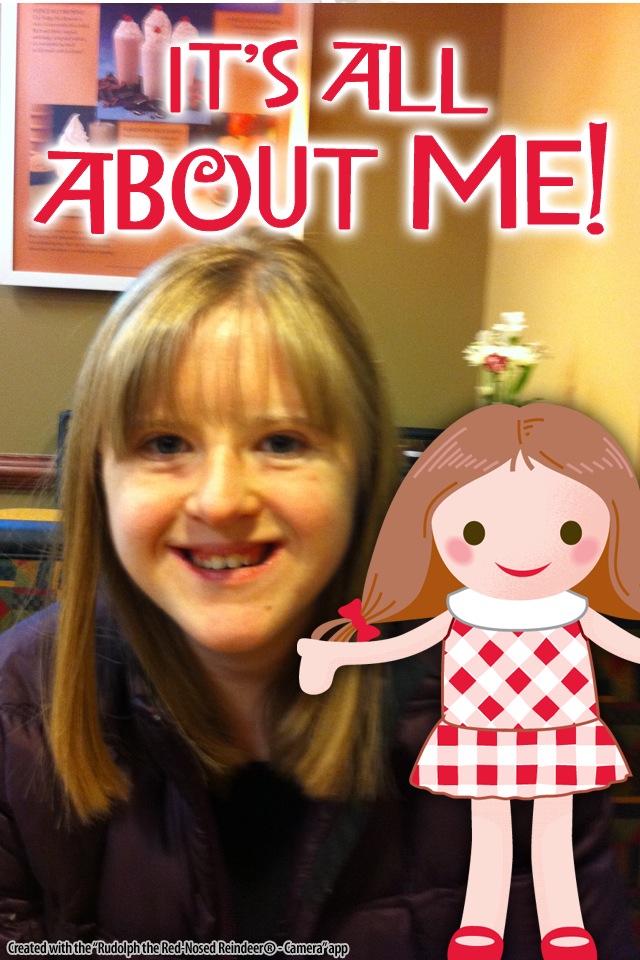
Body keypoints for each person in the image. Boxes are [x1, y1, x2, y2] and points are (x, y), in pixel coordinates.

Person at [0, 238, 635, 960]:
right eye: (165, 443)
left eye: (280, 442)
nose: (220, 500)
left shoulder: (514, 685)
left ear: (362, 477)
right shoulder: (17, 710)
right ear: (99, 481)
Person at [299, 402, 640, 960]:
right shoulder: (459, 609)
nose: (524, 554)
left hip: (560, 732)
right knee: (489, 837)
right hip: (481, 732)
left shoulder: (573, 609)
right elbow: (401, 644)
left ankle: (564, 928)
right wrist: (336, 658)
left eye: (568, 530)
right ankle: (481, 927)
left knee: (551, 834)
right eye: (477, 531)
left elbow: (626, 645)